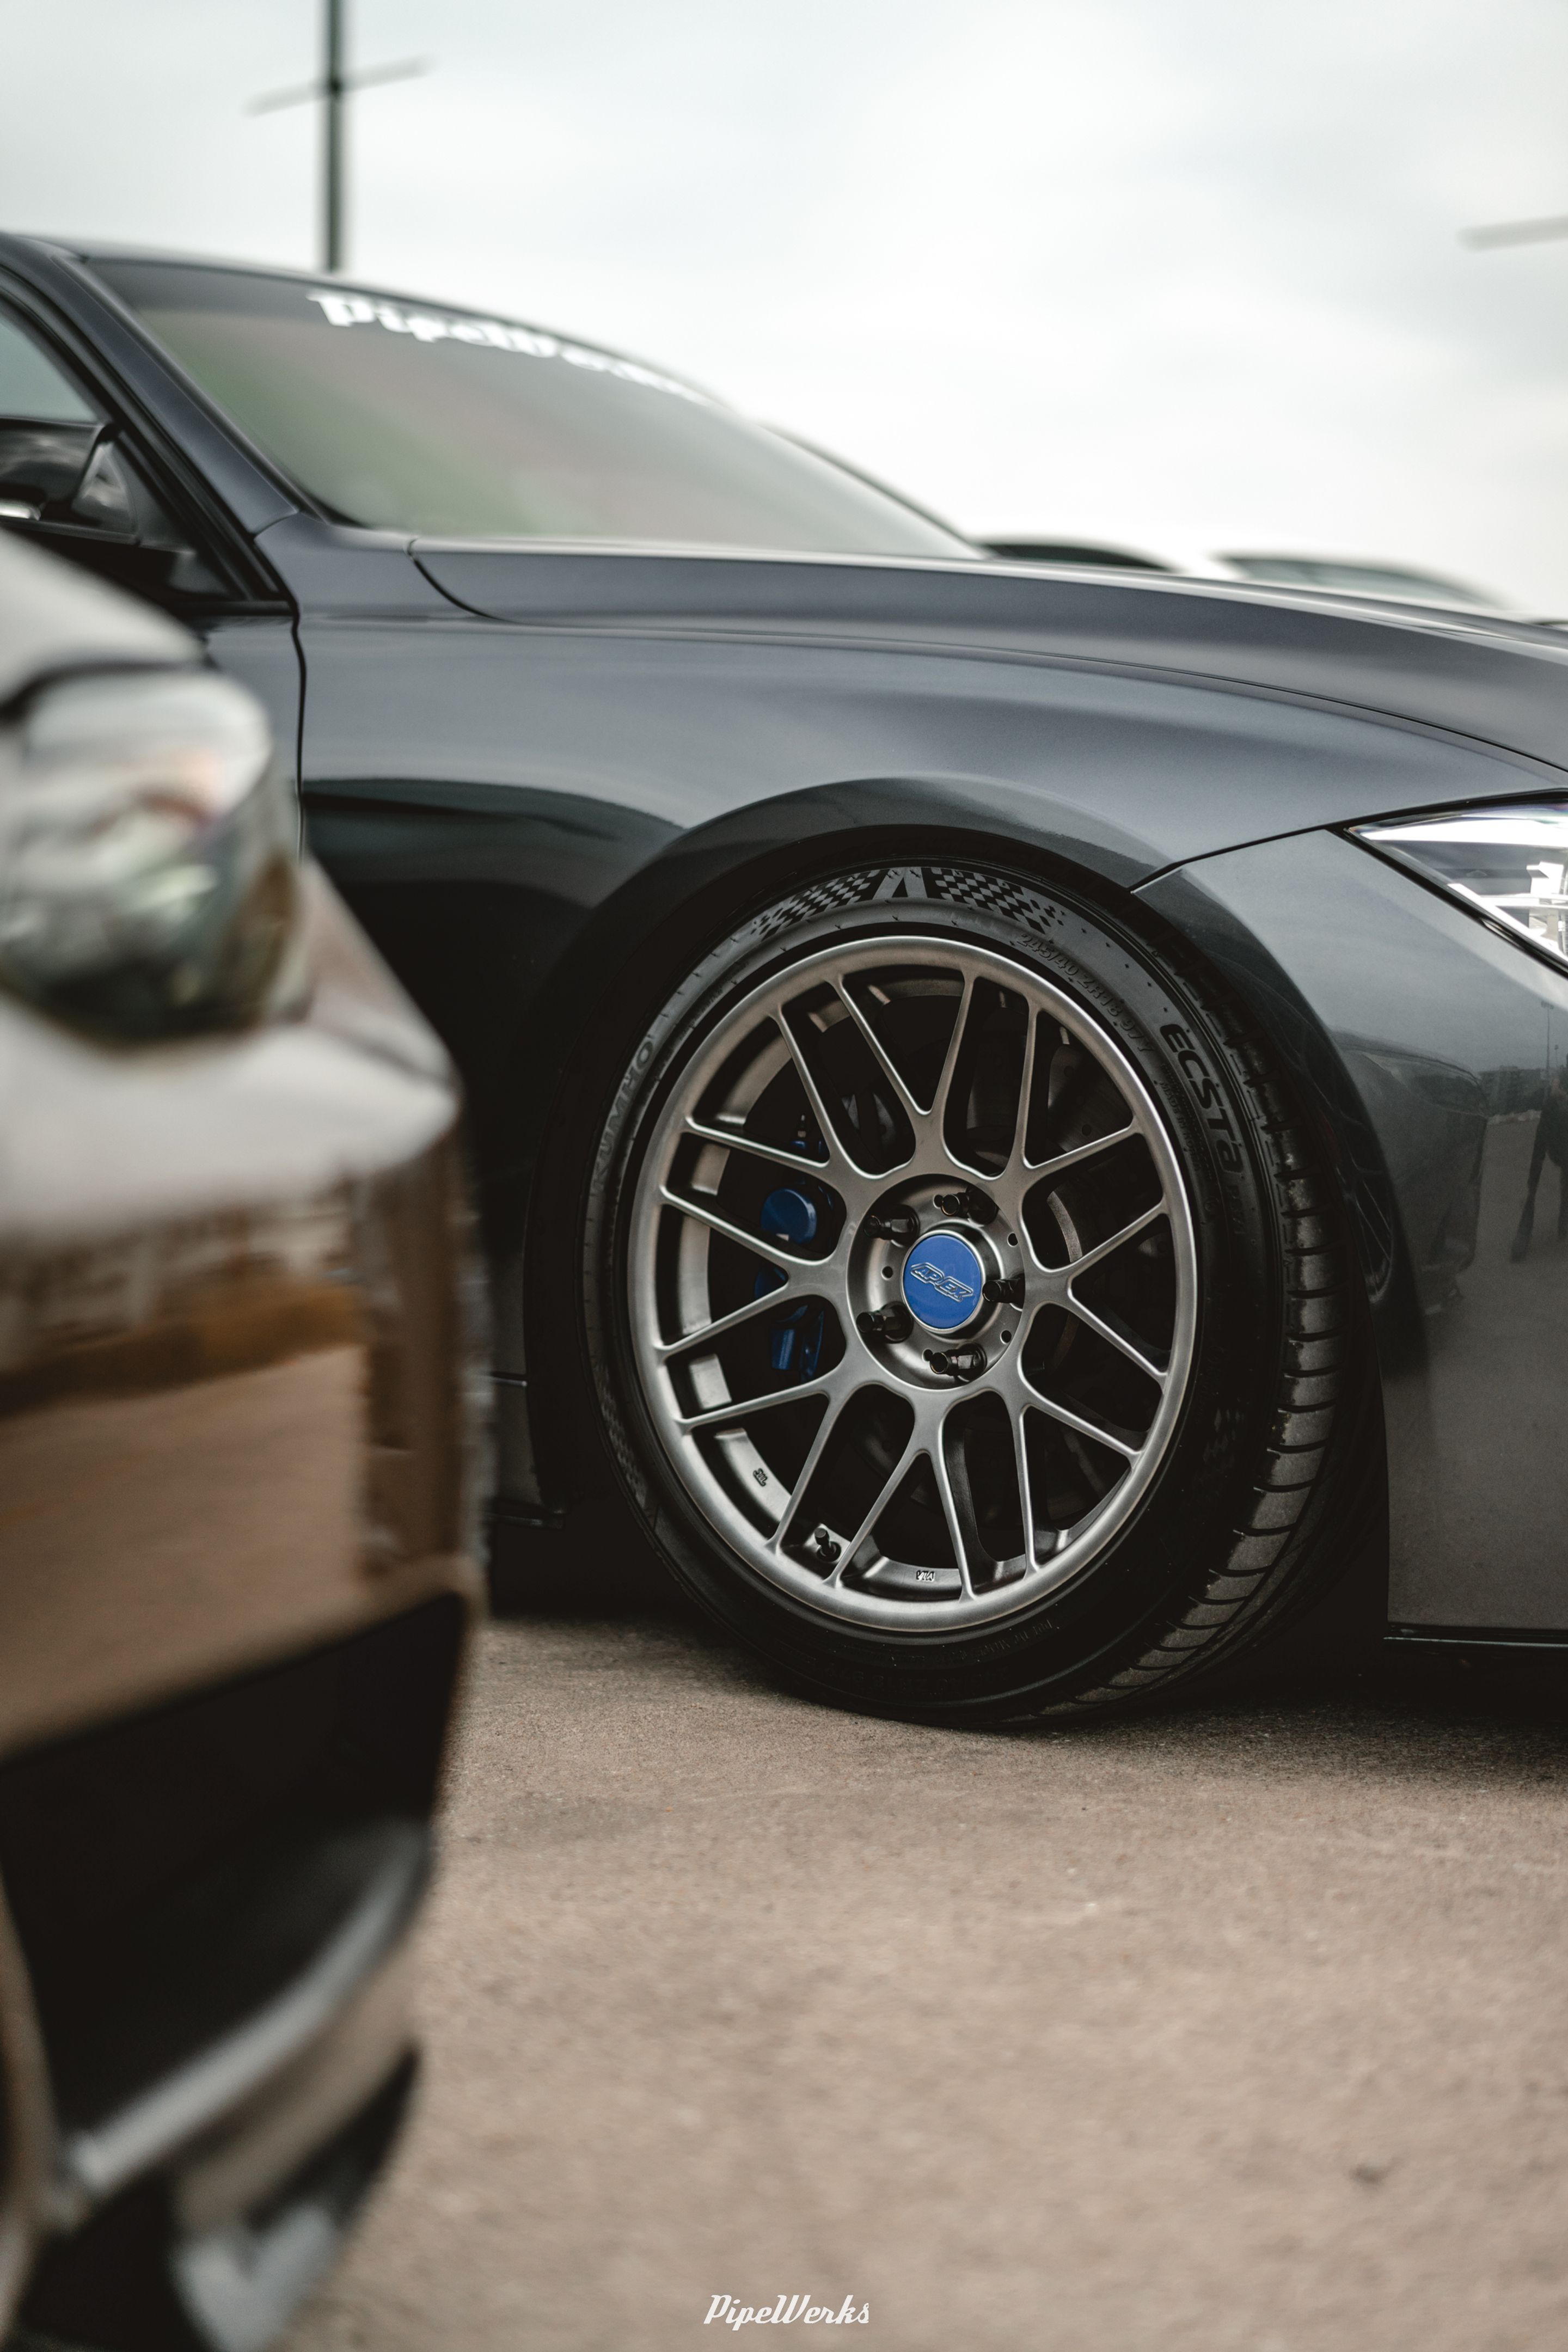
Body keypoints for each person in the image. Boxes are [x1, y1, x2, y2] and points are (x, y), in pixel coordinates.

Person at [1510, 1065, 1568, 1260]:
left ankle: (1563, 1223)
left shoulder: (1553, 1101)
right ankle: (1561, 1223)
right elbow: (1540, 1148)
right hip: (1559, 1148)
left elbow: (1540, 1150)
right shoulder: (1553, 1104)